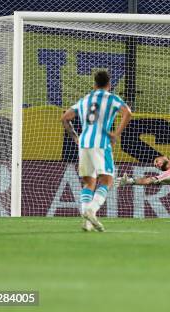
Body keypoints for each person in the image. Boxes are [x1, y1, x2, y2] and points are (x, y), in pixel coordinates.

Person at [61, 70, 132, 232]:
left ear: (94, 84)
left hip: (84, 143)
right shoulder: (112, 98)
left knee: (89, 182)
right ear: (109, 84)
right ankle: (91, 210)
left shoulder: (85, 99)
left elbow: (65, 118)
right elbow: (127, 113)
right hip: (101, 143)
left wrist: (76, 138)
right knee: (107, 180)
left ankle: (87, 222)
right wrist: (115, 134)